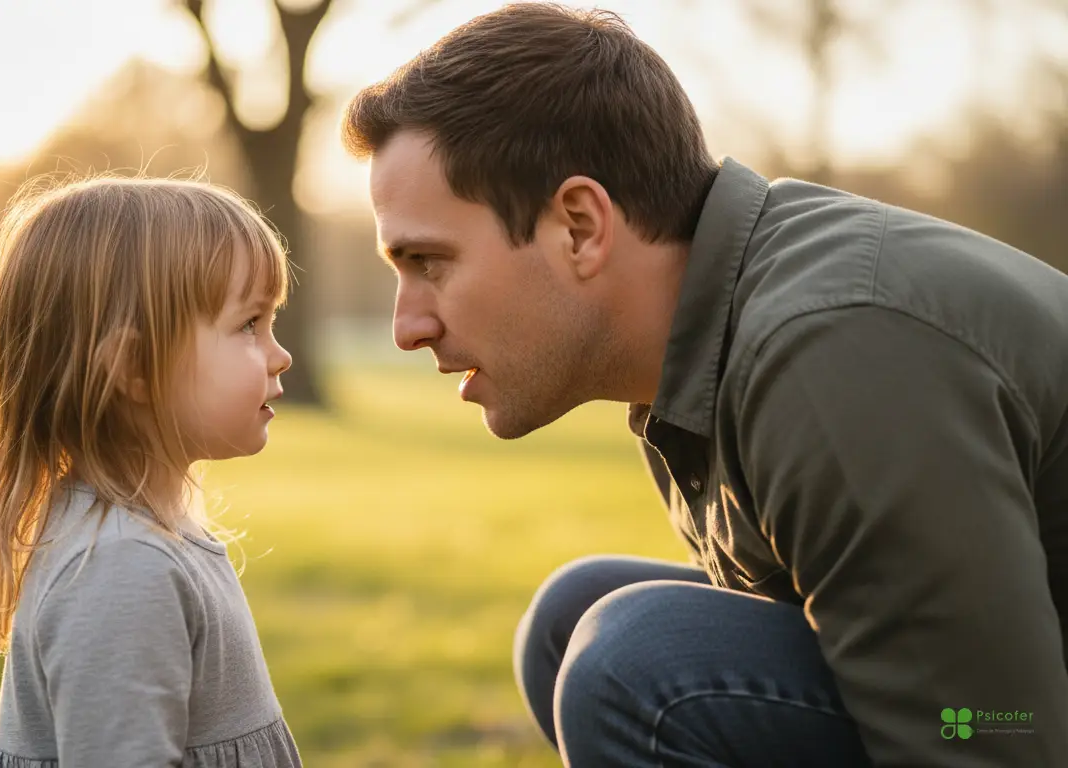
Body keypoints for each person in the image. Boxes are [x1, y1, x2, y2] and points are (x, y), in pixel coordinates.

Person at [340, 3, 1068, 766]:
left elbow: (989, 732)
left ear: (581, 227)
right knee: (574, 618)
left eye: (430, 263)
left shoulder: (827, 359)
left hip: (1007, 722)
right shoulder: (702, 343)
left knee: (635, 665)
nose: (407, 326)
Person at [0, 176, 303, 767]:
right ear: (133, 367)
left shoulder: (147, 541)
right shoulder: (122, 566)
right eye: (248, 324)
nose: (281, 354)